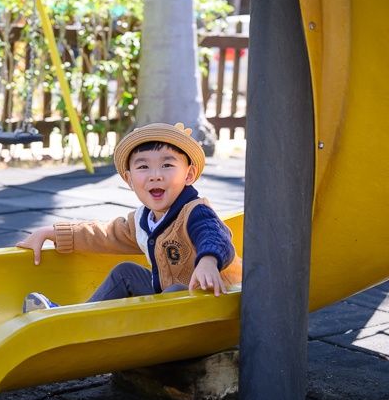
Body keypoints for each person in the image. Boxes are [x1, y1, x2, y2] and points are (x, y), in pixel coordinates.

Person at [16, 122, 242, 312]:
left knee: (173, 292)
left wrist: (208, 261)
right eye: (143, 167)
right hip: (173, 300)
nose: (155, 176)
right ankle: (71, 319)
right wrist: (52, 232)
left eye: (167, 165)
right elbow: (105, 235)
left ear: (189, 175)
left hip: (217, 299)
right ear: (129, 180)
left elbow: (215, 236)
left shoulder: (196, 211)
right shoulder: (143, 221)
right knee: (125, 272)